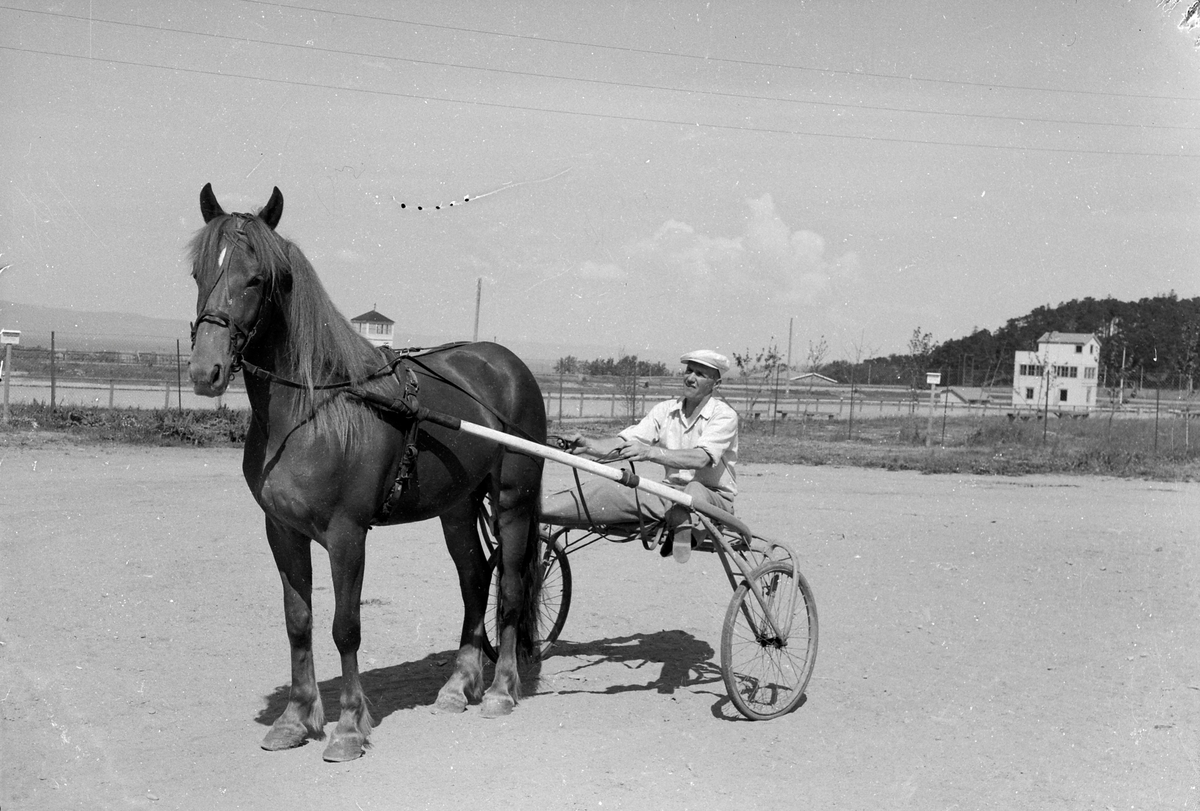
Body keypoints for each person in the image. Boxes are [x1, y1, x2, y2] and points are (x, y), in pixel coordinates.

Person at [541, 349, 738, 564]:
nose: (690, 378)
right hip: (669, 496)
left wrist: (650, 452)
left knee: (694, 492)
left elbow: (701, 458)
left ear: (716, 384)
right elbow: (625, 442)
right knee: (606, 488)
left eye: (700, 374)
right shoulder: (665, 410)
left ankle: (684, 528)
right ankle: (532, 510)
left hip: (713, 499)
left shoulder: (724, 415)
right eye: (689, 370)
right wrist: (588, 445)